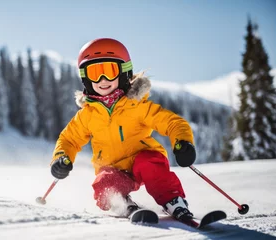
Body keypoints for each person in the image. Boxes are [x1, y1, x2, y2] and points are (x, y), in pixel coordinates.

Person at [50, 38, 196, 221]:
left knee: (150, 165)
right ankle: (123, 205)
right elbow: (69, 139)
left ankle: (174, 202)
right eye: (95, 73)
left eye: (109, 71)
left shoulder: (136, 106)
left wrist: (182, 142)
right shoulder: (87, 115)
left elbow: (172, 122)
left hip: (143, 159)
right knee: (104, 182)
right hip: (114, 168)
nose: (102, 80)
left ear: (123, 72)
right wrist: (61, 157)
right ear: (86, 78)